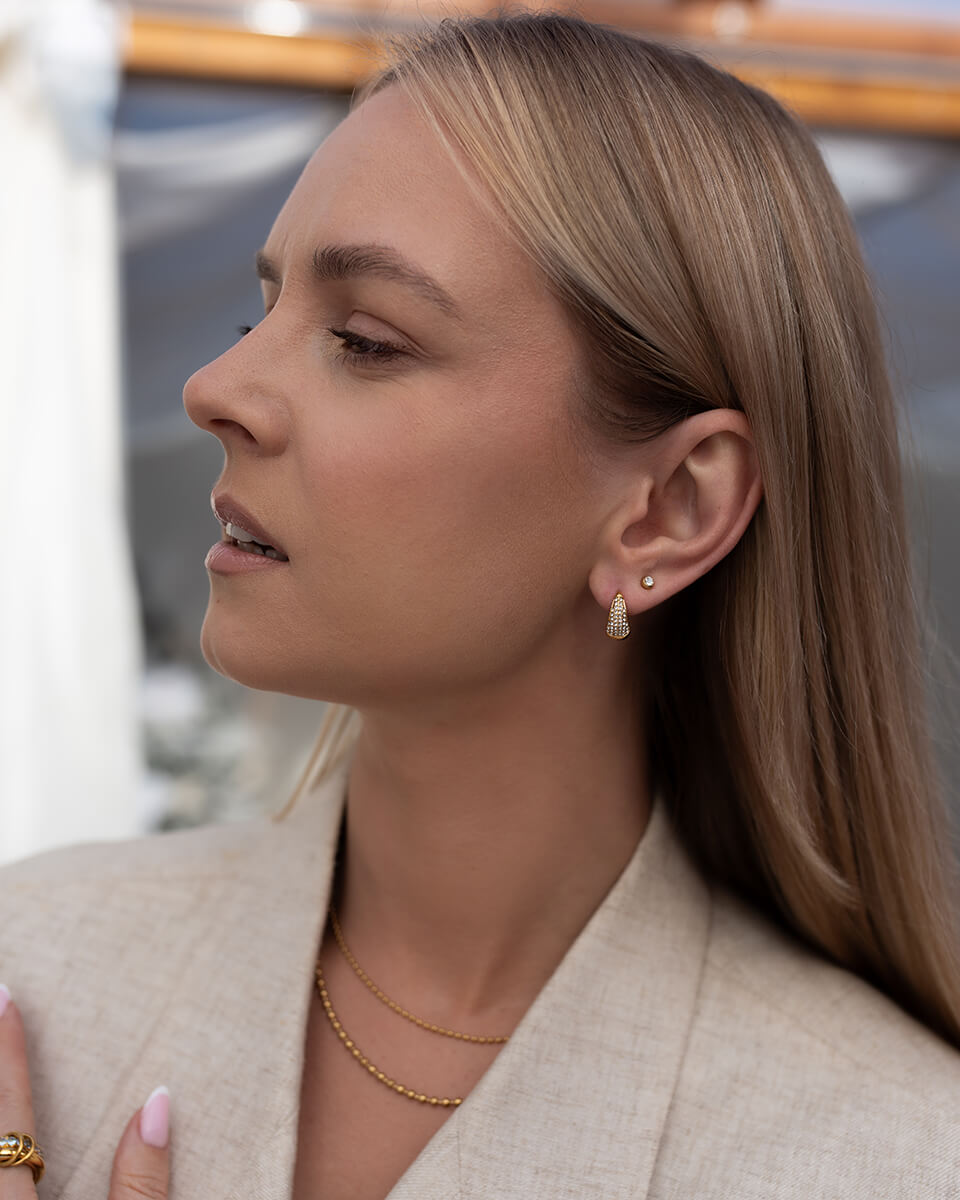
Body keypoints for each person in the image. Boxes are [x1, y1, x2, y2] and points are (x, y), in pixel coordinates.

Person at [2, 9, 959, 1199]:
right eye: (261, 312)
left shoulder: (892, 1157)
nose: (215, 386)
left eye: (365, 340)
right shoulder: (37, 977)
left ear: (671, 509)